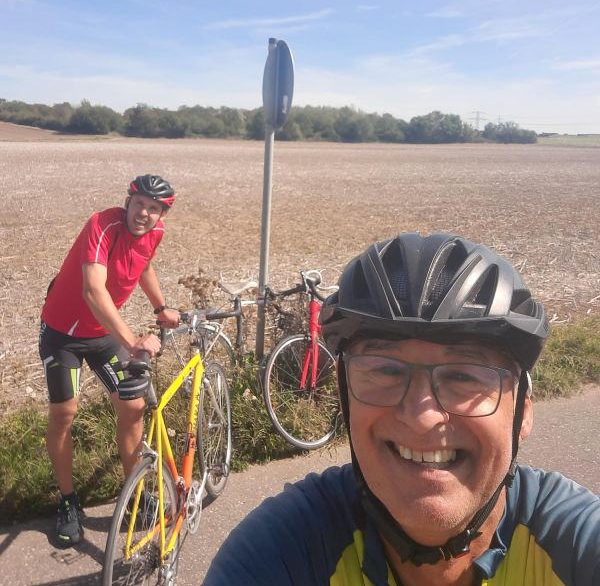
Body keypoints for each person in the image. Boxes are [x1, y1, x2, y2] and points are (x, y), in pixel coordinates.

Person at [205, 233, 600, 585]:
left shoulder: (576, 545)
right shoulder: (282, 552)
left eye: (464, 376)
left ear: (523, 410)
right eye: (385, 371)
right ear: (344, 398)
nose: (422, 416)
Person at [39, 174, 180, 546]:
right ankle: (68, 501)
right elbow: (93, 290)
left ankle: (134, 493)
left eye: (153, 208)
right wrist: (132, 341)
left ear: (162, 214)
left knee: (133, 405)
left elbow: (143, 265)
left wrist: (160, 307)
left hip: (102, 334)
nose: (144, 213)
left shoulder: (154, 233)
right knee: (65, 412)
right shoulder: (103, 225)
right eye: (139, 204)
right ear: (128, 202)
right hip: (64, 334)